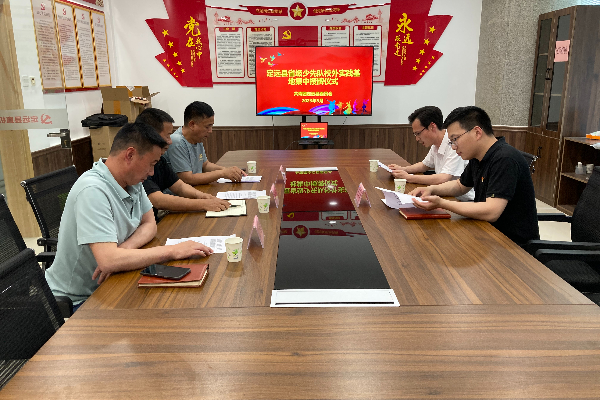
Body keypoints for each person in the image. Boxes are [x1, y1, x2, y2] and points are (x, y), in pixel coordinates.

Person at [46, 122, 213, 309]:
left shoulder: (132, 181)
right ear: (130, 155)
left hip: (113, 281)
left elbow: (150, 224)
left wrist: (123, 250)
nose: (151, 173)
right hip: (80, 299)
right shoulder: (92, 190)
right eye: (151, 164)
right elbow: (108, 261)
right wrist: (172, 251)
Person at [409, 106, 540, 246]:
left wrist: (442, 203)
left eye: (455, 139)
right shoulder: (478, 157)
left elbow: (492, 212)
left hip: (512, 245)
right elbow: (460, 186)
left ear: (477, 132)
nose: (453, 147)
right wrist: (431, 189)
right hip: (486, 232)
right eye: (451, 142)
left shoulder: (505, 159)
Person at [136, 108, 231, 220]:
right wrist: (203, 204)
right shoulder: (139, 163)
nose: (170, 141)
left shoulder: (160, 160)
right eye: (167, 136)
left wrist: (203, 196)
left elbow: (179, 185)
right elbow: (158, 200)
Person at [388, 106, 474, 201]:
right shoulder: (436, 144)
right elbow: (424, 165)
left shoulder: (454, 144)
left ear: (432, 127)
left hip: (462, 200)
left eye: (418, 133)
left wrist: (408, 177)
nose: (417, 138)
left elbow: (443, 178)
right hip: (444, 195)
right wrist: (403, 169)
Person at [164, 101, 246, 184]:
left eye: (211, 126)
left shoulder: (197, 138)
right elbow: (188, 179)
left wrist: (227, 170)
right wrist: (222, 173)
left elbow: (205, 165)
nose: (210, 131)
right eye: (207, 127)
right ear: (192, 124)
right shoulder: (176, 141)